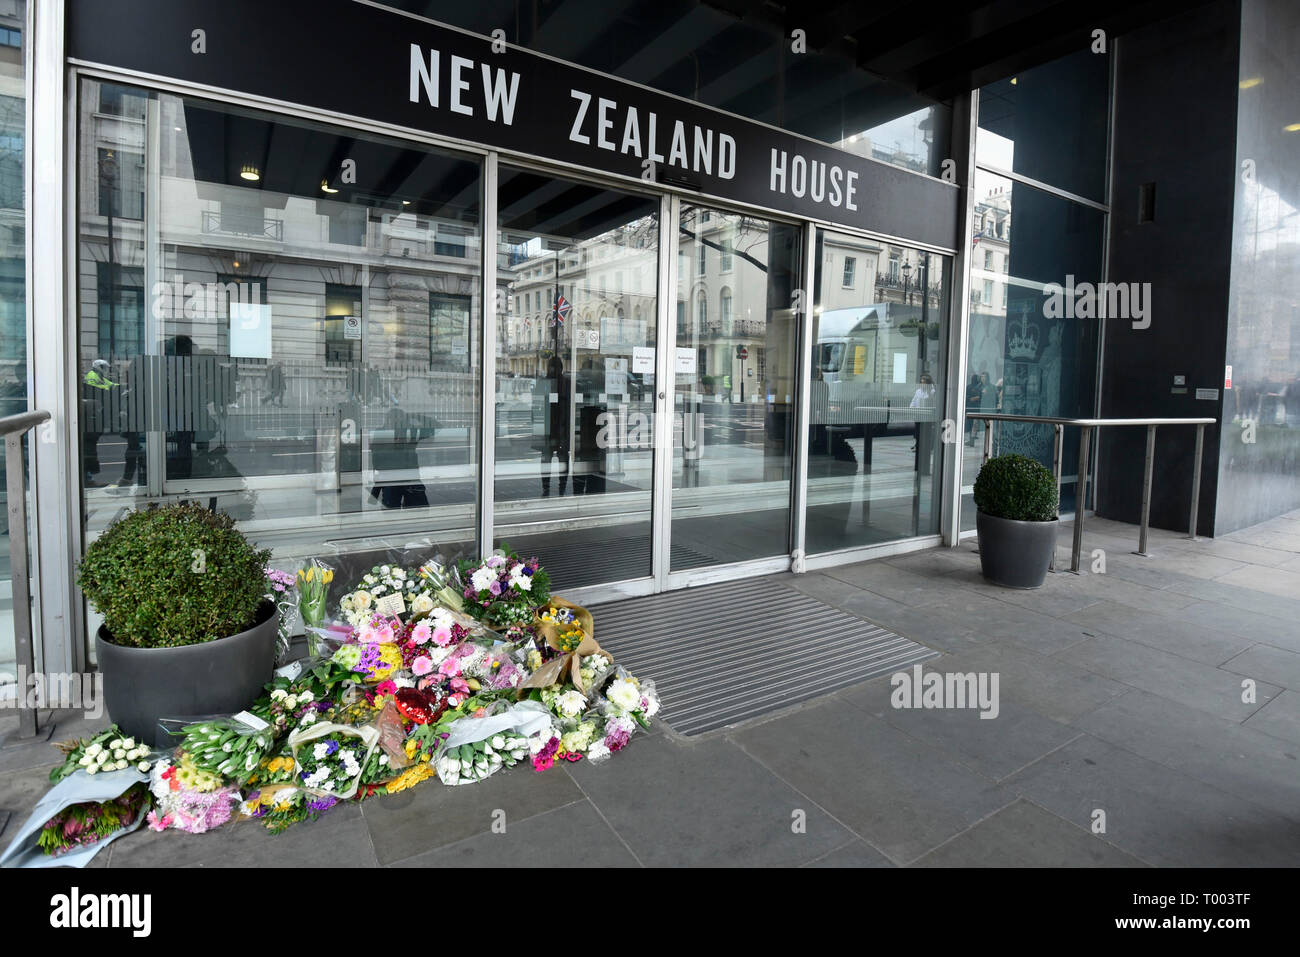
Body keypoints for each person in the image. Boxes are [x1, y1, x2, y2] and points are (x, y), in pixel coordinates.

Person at [537, 356, 571, 496]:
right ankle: (556, 488)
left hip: (554, 426)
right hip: (555, 427)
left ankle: (549, 488)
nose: (552, 370)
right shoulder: (564, 382)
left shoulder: (546, 382)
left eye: (554, 367)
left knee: (550, 458)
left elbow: (537, 405)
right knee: (556, 458)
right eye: (552, 367)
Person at [82, 359, 118, 487]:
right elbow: (101, 387)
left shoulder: (99, 377)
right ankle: (87, 479)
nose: (107, 371)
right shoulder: (92, 376)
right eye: (105, 368)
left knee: (91, 448)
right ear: (99, 367)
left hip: (95, 415)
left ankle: (88, 478)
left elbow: (110, 384)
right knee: (88, 449)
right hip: (89, 418)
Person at [964, 373, 984, 446]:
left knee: (973, 425)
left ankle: (971, 440)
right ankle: (971, 440)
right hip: (972, 408)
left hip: (973, 408)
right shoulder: (972, 387)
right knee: (972, 425)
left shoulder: (978, 387)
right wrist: (971, 399)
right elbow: (965, 397)